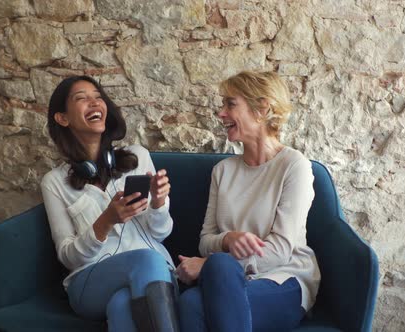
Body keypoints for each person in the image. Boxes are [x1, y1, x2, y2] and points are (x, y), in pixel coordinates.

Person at [176, 71, 320, 331]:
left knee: (213, 272)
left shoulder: (293, 166)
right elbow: (205, 241)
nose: (221, 113)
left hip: (283, 278)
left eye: (230, 104)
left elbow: (279, 251)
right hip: (229, 279)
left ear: (262, 109)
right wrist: (227, 239)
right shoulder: (223, 171)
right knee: (190, 302)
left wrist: (208, 264)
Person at [40, 75, 179, 332]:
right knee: (146, 261)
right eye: (82, 98)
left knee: (121, 305)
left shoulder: (138, 158)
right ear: (63, 118)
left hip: (156, 273)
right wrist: (105, 221)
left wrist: (159, 203)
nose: (94, 103)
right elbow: (68, 257)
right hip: (90, 281)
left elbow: (160, 233)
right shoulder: (54, 182)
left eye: (98, 97)